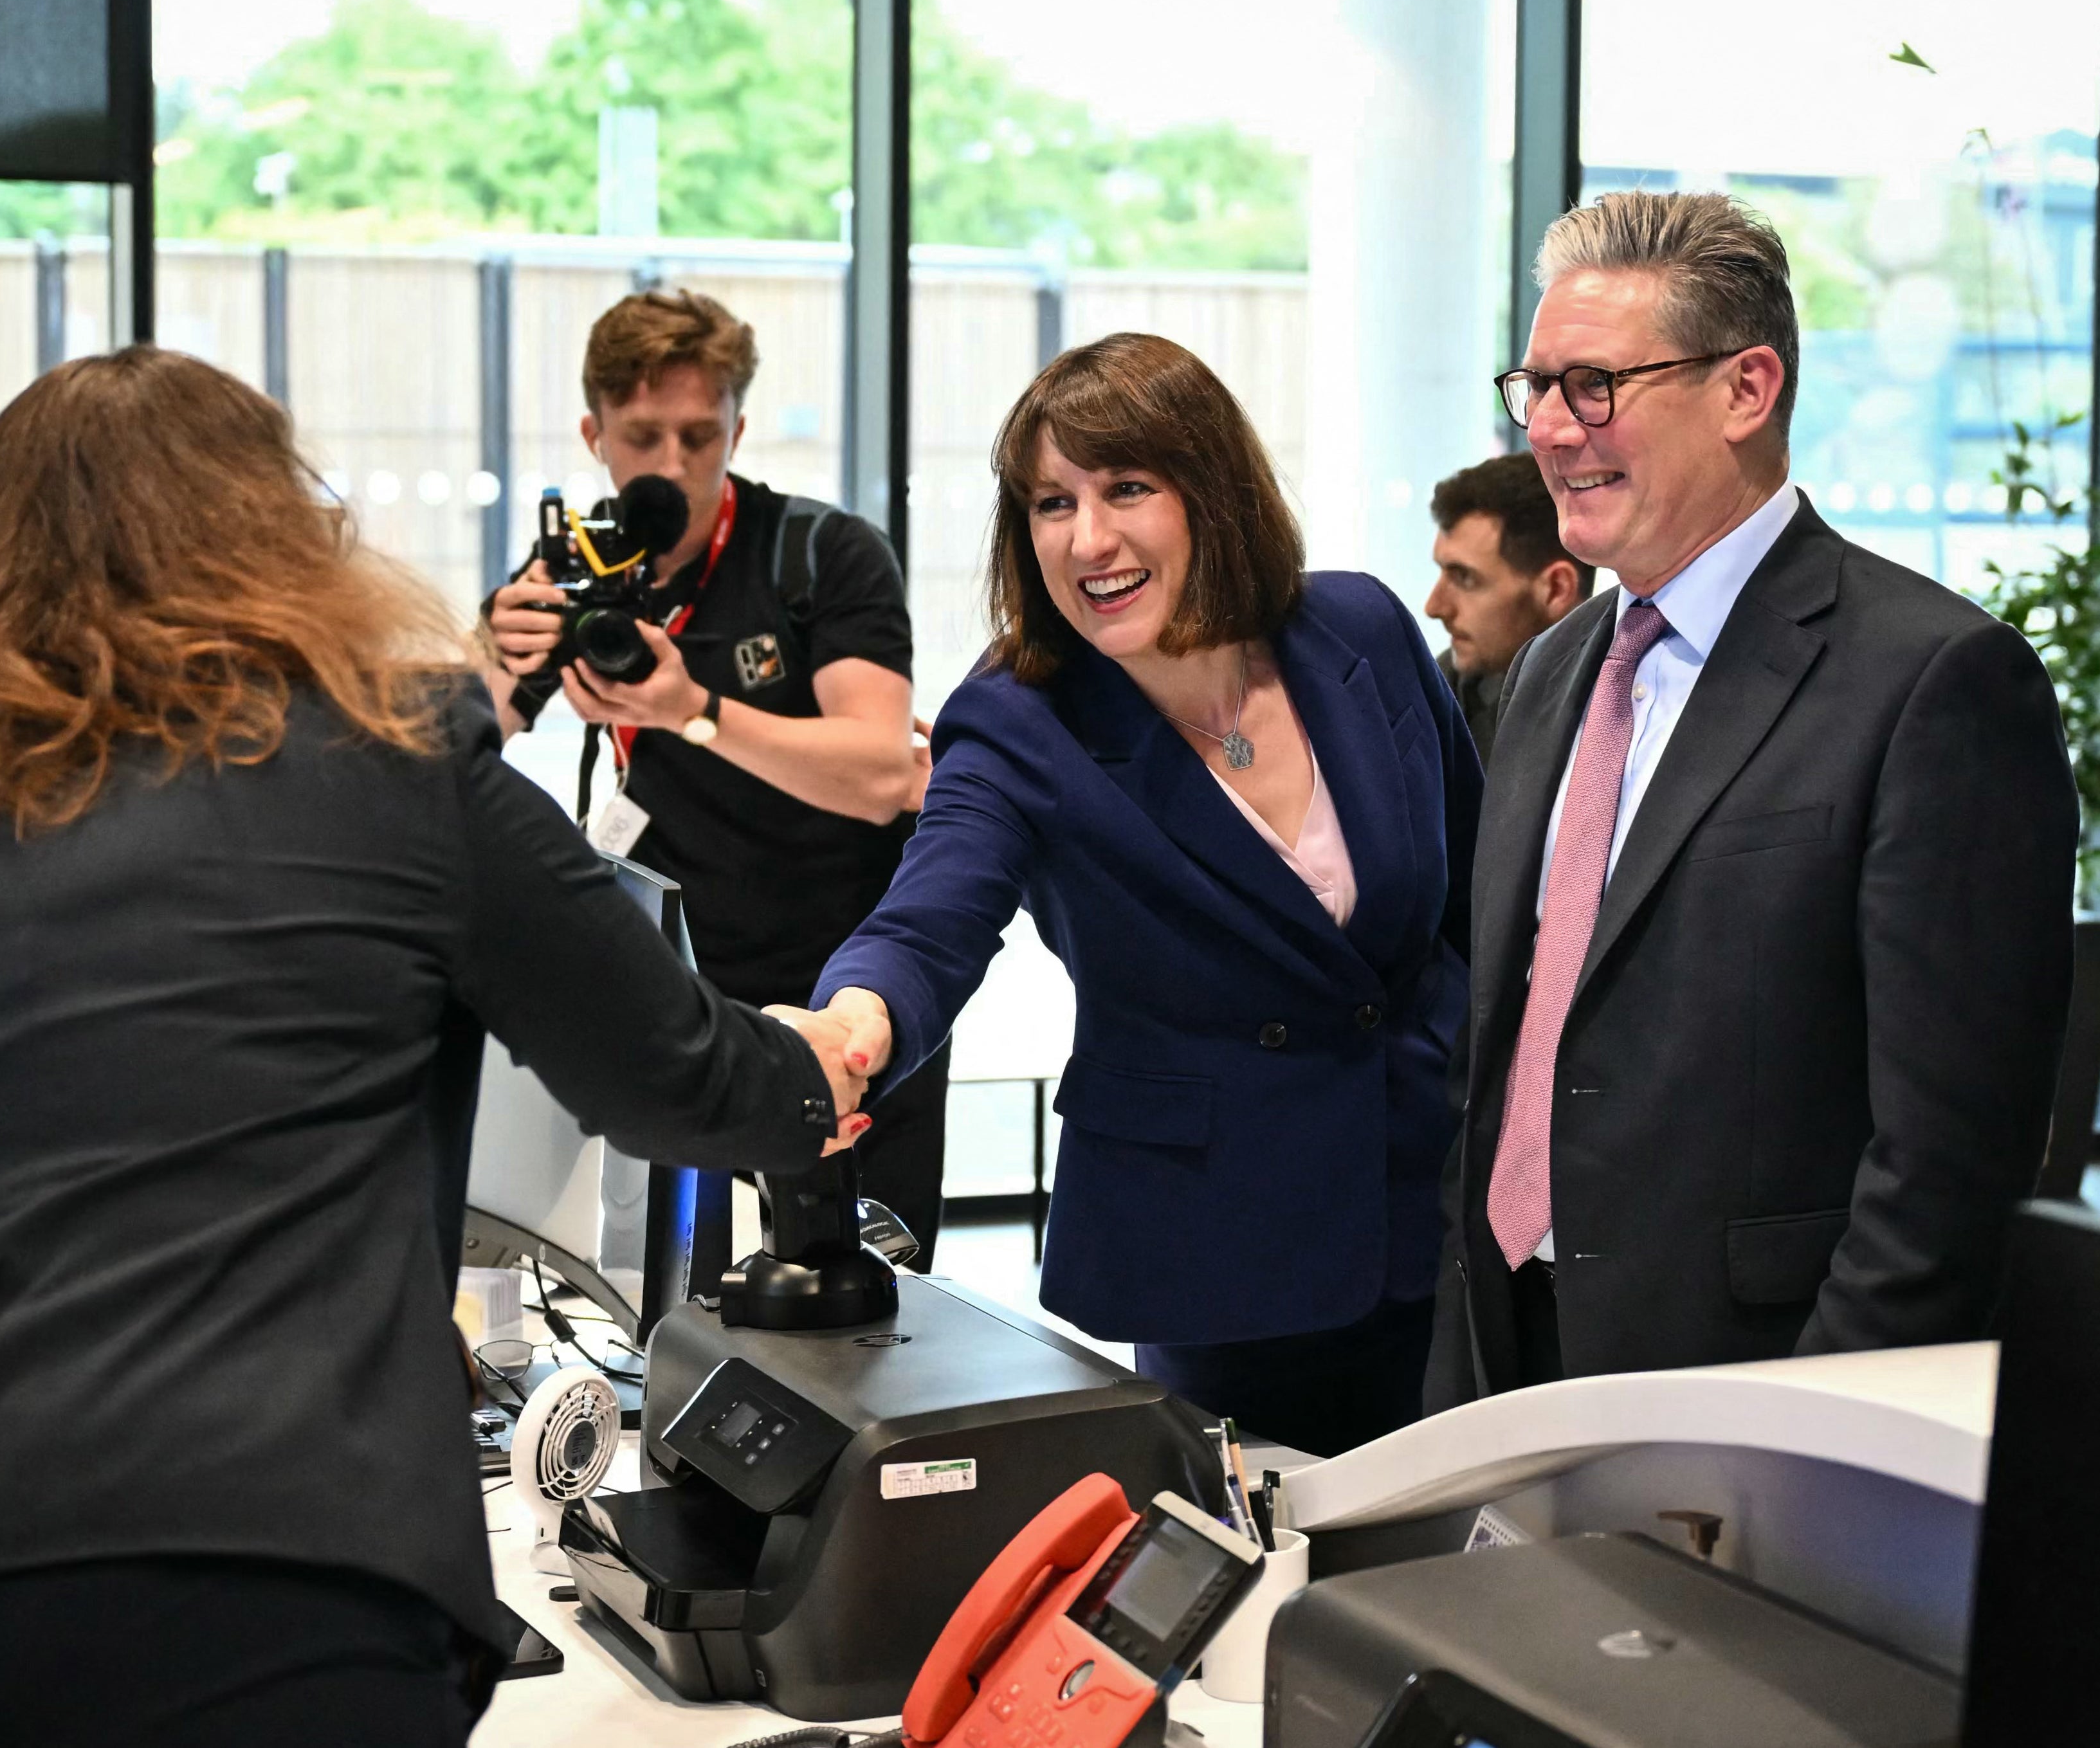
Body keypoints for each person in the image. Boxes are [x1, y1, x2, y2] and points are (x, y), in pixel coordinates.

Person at [0, 348, 872, 1747]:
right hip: (241, 1584)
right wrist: (822, 1066)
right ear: (284, 542)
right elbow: (675, 1076)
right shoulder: (396, 785)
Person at [1428, 192, 2077, 1410]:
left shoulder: (1934, 681)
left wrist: (1808, 1445)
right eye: (1537, 389)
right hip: (1510, 1357)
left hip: (1755, 1390)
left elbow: (1947, 1165)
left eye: (1596, 387)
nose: (1555, 433)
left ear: (1745, 389)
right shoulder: (1554, 668)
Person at [788, 334, 1483, 1458]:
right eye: (1051, 503)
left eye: (1125, 489)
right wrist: (847, 1028)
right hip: (1226, 1256)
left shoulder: (1359, 630)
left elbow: (1487, 903)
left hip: (1445, 1219)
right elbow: (929, 917)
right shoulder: (1020, 718)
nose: (1088, 539)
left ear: (1212, 490)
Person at [479, 290, 953, 1266]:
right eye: (642, 435)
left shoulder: (819, 555)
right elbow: (454, 750)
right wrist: (490, 650)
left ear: (737, 427)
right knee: (671, 1288)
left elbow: (881, 772)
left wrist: (690, 711)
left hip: (844, 991)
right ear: (593, 434)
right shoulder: (577, 569)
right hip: (673, 1003)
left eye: (700, 435)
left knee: (863, 1303)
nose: (672, 465)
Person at [1424, 452, 1594, 763]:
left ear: (1557, 589)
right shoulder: (1440, 696)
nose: (1435, 607)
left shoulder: (1622, 718)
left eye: (1464, 578)